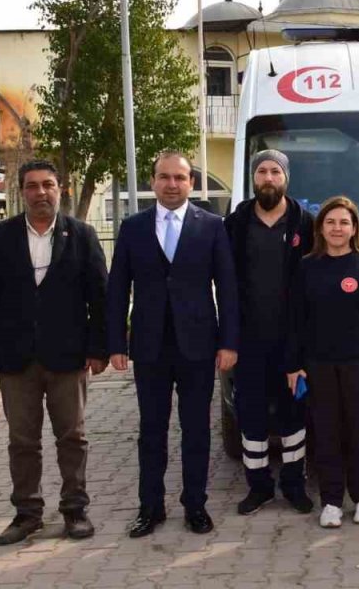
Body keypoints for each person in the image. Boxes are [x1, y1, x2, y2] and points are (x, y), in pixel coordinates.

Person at [0, 159, 109, 545]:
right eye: (32, 186)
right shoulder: (0, 238)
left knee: (73, 437)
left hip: (69, 357)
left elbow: (100, 298)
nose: (41, 192)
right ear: (21, 192)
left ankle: (75, 510)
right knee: (22, 440)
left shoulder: (81, 235)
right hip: (16, 360)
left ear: (59, 188)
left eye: (48, 184)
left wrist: (99, 348)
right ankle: (27, 513)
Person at [107, 151, 239, 537]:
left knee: (196, 429)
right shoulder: (133, 228)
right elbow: (117, 288)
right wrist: (116, 342)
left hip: (198, 346)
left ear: (191, 183)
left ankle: (195, 505)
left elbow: (227, 289)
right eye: (164, 177)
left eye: (179, 178)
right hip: (149, 347)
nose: (171, 184)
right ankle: (151, 507)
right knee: (152, 431)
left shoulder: (212, 226)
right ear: (153, 182)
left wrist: (229, 342)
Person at [286, 197, 359, 528]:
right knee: (327, 434)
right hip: (318, 365)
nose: (337, 228)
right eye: (330, 222)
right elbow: (295, 321)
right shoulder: (306, 267)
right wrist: (294, 365)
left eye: (344, 222)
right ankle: (331, 501)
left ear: (354, 228)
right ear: (320, 228)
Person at [224, 150, 315, 516]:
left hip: (292, 340)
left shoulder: (304, 223)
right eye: (261, 171)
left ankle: (294, 484)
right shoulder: (235, 224)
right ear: (253, 178)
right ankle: (258, 486)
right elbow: (225, 284)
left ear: (286, 179)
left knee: (294, 413)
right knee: (251, 415)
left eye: (275, 171)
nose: (268, 178)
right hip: (248, 342)